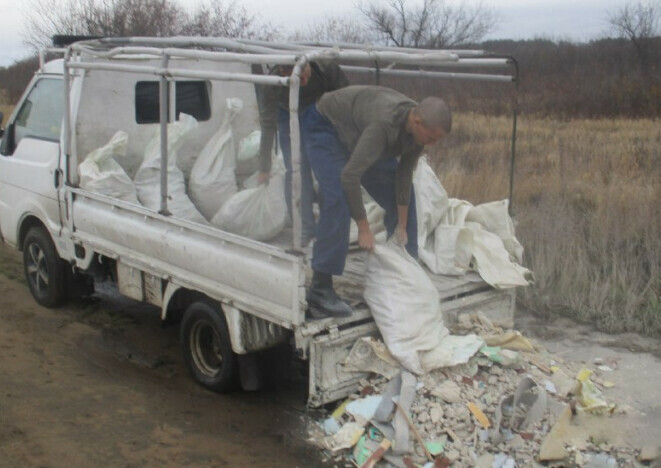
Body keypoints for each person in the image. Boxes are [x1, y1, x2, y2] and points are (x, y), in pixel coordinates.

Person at [301, 85, 452, 318]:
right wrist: (363, 228)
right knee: (338, 199)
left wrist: (402, 226)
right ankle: (320, 290)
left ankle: (406, 277)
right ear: (417, 122)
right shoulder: (385, 124)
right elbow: (350, 176)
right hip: (326, 125)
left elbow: (403, 176)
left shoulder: (416, 132)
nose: (430, 144)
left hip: (359, 134)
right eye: (431, 138)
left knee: (403, 196)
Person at [257, 61, 349, 246]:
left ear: (307, 64)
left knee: (328, 172)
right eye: (296, 77)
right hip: (287, 115)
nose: (303, 79)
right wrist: (264, 167)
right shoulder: (272, 84)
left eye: (304, 73)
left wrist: (347, 139)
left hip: (322, 112)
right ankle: (305, 228)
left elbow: (348, 100)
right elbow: (268, 124)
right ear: (283, 72)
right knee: (296, 172)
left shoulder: (326, 68)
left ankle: (330, 229)